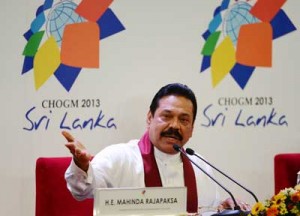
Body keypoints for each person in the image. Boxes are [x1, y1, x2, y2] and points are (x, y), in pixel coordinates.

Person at [63, 83, 250, 214]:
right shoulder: (118, 157)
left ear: (192, 128)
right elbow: (82, 191)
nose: (175, 126)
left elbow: (208, 209)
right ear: (149, 118)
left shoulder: (200, 165)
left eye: (184, 120)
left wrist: (223, 209)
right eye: (166, 116)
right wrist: (82, 166)